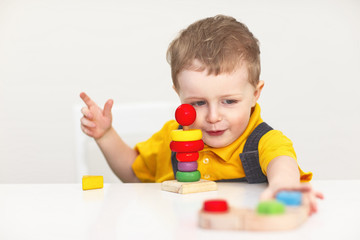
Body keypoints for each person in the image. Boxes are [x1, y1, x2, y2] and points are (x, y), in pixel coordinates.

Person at [80, 15, 323, 214]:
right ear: (179, 94)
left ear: (255, 94)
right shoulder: (173, 137)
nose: (213, 116)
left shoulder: (264, 141)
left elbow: (282, 165)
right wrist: (105, 135)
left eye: (229, 101)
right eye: (198, 103)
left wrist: (282, 188)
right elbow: (133, 174)